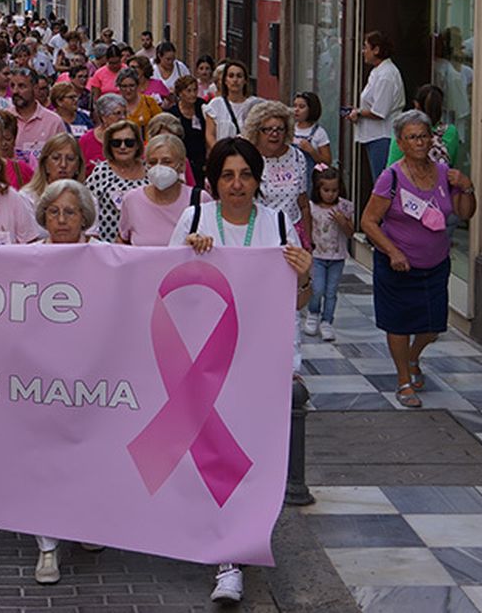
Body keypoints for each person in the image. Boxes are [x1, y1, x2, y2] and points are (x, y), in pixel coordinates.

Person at [169, 137, 313, 605]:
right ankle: (228, 560)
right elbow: (166, 288)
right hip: (205, 365)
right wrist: (187, 255)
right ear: (213, 180)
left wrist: (305, 273)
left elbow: (297, 300)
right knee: (216, 460)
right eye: (228, 176)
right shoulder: (195, 220)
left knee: (254, 460)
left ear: (258, 179)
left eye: (246, 175)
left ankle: (240, 542)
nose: (237, 185)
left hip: (260, 365)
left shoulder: (277, 223)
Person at [360, 110, 476, 409]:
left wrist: (466, 185)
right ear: (401, 141)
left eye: (423, 136)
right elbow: (369, 222)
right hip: (398, 265)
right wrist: (393, 252)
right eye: (412, 137)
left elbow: (464, 213)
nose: (419, 142)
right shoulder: (392, 177)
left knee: (433, 325)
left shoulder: (443, 173)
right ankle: (403, 380)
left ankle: (413, 358)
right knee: (398, 324)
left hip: (435, 263)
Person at [118, 134, 208, 246]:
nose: (159, 167)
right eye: (152, 162)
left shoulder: (200, 199)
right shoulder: (132, 199)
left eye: (167, 161)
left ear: (181, 165)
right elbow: (122, 241)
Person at [245, 101, 313, 245]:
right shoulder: (248, 158)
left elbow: (303, 204)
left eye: (279, 129)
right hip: (258, 233)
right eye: (267, 129)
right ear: (256, 131)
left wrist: (308, 241)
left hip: (291, 232)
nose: (274, 134)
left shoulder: (297, 157)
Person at [348, 31, 405, 191]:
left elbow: (380, 111)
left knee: (383, 185)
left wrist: (358, 112)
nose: (363, 51)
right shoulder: (378, 71)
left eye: (365, 47)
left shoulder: (386, 75)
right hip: (373, 136)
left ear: (376, 50)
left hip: (382, 136)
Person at [306, 165, 354, 341]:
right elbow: (308, 227)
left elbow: (351, 233)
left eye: (334, 190)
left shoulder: (344, 207)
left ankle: (327, 321)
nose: (330, 194)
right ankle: (313, 313)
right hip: (317, 255)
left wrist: (343, 221)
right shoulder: (311, 207)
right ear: (318, 189)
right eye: (326, 190)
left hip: (337, 257)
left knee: (331, 291)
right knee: (317, 288)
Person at [86, 119, 147, 238]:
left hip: (142, 241)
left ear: (137, 145)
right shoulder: (101, 171)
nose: (122, 147)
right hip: (108, 243)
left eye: (129, 142)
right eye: (116, 143)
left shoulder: (149, 170)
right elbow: (87, 206)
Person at [386, 84, 461, 168]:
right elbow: (451, 163)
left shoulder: (404, 129)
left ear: (416, 105)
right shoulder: (451, 132)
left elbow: (393, 163)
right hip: (441, 179)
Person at [9, 70, 68, 167]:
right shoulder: (3, 119)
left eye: (21, 86)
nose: (15, 91)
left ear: (35, 88)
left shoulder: (53, 121)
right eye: (12, 86)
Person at [203, 60, 260, 148]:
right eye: (231, 76)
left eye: (239, 76)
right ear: (225, 81)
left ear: (245, 80)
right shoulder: (215, 105)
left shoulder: (255, 105)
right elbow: (210, 135)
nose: (235, 80)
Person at [165, 75, 208, 184]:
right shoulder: (173, 113)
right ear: (180, 93)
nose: (193, 94)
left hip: (201, 158)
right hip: (183, 157)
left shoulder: (202, 106)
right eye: (188, 91)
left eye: (195, 90)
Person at [21, 132, 84, 206]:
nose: (63, 164)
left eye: (70, 159)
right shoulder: (27, 198)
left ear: (78, 166)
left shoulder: (88, 200)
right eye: (56, 158)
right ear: (45, 164)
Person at [80, 93, 129, 167]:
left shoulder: (131, 137)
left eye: (125, 113)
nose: (123, 118)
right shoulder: (86, 141)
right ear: (104, 117)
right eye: (118, 113)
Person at [293, 91, 332, 167]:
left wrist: (312, 152)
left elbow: (327, 163)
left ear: (311, 109)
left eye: (301, 107)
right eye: (295, 106)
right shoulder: (289, 129)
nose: (296, 110)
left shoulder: (319, 133)